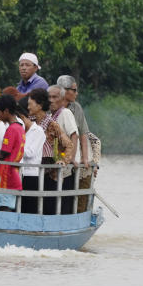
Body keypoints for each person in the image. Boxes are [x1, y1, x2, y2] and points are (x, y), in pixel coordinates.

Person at [28, 88, 72, 214]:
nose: (28, 107)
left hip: (48, 170)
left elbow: (69, 144)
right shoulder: (29, 121)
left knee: (47, 206)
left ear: (40, 105)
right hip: (32, 169)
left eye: (30, 104)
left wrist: (63, 161)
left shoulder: (51, 124)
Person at [56, 74, 93, 212]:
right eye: (74, 90)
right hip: (55, 159)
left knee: (69, 194)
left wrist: (84, 157)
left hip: (71, 161)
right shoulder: (51, 107)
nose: (76, 93)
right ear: (64, 90)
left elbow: (82, 134)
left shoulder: (76, 108)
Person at [48, 84, 80, 214]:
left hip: (66, 168)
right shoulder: (50, 115)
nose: (51, 100)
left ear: (62, 99)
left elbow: (74, 135)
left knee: (65, 202)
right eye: (49, 97)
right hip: (56, 167)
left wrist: (71, 158)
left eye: (55, 97)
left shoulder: (65, 113)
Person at [0, 94, 25, 211]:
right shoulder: (20, 127)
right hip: (13, 172)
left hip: (6, 174)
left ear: (6, 111)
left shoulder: (11, 129)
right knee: (9, 204)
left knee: (4, 205)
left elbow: (5, 151)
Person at [17, 96, 46, 214]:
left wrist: (15, 148)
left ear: (22, 118)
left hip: (31, 175)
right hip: (19, 173)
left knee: (29, 208)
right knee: (19, 206)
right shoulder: (21, 130)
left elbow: (31, 152)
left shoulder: (38, 131)